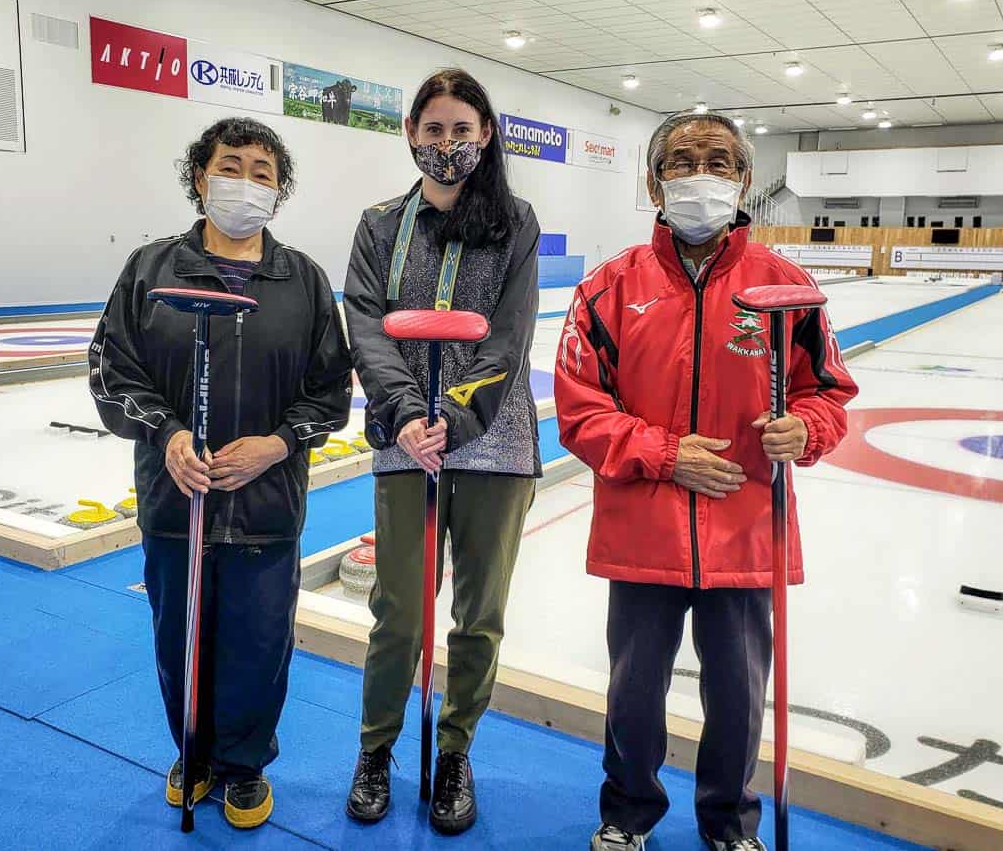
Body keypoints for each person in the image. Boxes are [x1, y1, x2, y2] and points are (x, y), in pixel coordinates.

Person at [553, 109, 859, 851]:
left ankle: (728, 823)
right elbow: (579, 409)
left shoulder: (784, 287)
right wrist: (664, 453)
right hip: (644, 529)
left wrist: (807, 429)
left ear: (745, 179)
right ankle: (627, 813)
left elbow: (829, 390)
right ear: (653, 182)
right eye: (682, 160)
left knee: (737, 697)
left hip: (747, 530)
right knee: (633, 694)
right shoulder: (609, 287)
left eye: (719, 161)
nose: (701, 175)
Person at [89, 117, 352, 829]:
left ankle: (243, 766)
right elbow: (112, 369)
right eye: (229, 165)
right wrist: (168, 433)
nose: (245, 181)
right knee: (180, 633)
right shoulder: (151, 269)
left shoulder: (302, 280)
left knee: (261, 642)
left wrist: (276, 443)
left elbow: (329, 392)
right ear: (201, 177)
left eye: (263, 171)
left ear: (279, 190)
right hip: (177, 502)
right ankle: (194, 753)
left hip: (266, 504)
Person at [342, 68, 541, 836]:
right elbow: (365, 319)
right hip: (404, 442)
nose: (447, 144)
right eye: (433, 129)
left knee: (478, 616)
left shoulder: (515, 221)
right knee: (397, 610)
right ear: (410, 135)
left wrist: (453, 420)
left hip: (494, 443)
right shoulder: (379, 224)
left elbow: (510, 333)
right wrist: (401, 414)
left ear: (486, 134)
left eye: (462, 129)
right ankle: (376, 751)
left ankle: (454, 752)